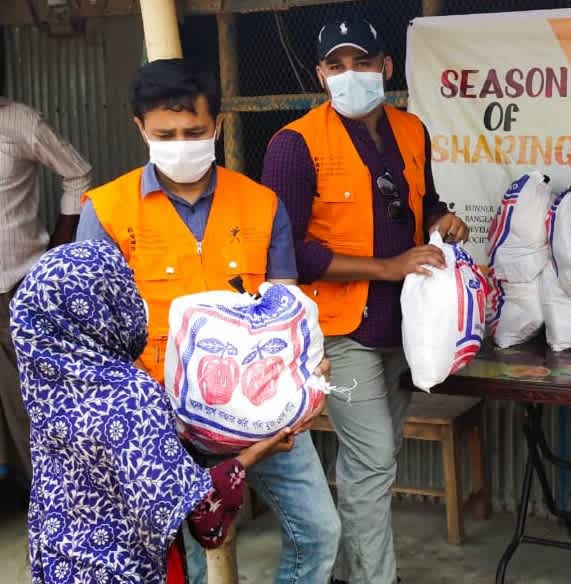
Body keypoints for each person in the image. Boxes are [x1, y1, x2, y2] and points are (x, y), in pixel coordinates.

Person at [76, 58, 340, 584]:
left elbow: (287, 314)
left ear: (217, 126)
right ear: (140, 130)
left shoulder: (262, 205)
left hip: (264, 412)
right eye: (165, 133)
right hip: (162, 420)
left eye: (194, 131)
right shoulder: (105, 211)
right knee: (196, 555)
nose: (181, 142)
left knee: (320, 531)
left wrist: (308, 373)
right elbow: (93, 339)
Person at [262, 18, 468, 584]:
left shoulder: (411, 129)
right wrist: (387, 267)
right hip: (339, 331)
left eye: (362, 62)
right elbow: (285, 253)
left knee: (374, 460)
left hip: (402, 326)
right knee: (373, 460)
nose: (350, 75)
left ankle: (352, 573)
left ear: (386, 68)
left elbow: (420, 203)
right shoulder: (294, 145)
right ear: (320, 75)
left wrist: (440, 220)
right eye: (336, 65)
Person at [11, 239, 295, 582]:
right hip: (125, 570)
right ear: (99, 308)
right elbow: (197, 512)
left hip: (58, 563)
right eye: (123, 288)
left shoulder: (47, 390)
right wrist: (253, 454)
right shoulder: (130, 396)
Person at [0, 96, 92, 488]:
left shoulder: (18, 121)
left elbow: (78, 174)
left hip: (18, 282)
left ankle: (47, 489)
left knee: (31, 395)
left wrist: (62, 239)